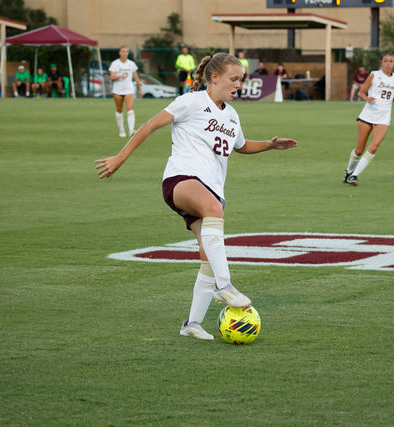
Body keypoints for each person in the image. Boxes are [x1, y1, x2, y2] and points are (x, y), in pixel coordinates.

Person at [95, 53, 298, 340]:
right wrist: (120, 158)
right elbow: (150, 125)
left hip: (210, 189)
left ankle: (192, 324)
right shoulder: (191, 101)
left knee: (208, 256)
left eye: (241, 79)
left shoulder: (230, 114)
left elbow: (240, 145)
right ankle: (224, 286)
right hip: (181, 180)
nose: (239, 84)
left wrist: (270, 145)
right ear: (214, 78)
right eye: (234, 79)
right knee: (215, 210)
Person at [343, 52, 394, 186]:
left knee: (374, 146)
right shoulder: (374, 75)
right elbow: (361, 92)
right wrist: (367, 99)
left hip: (383, 118)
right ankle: (348, 171)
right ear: (381, 63)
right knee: (359, 150)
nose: (388, 64)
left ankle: (354, 175)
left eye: (391, 61)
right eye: (386, 61)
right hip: (367, 116)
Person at [109, 46, 142, 137]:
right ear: (120, 53)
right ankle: (121, 129)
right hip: (117, 90)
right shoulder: (115, 64)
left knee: (130, 109)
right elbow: (111, 77)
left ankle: (131, 130)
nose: (125, 53)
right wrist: (118, 76)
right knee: (119, 110)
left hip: (129, 90)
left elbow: (135, 77)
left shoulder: (131, 64)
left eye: (126, 52)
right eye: (123, 51)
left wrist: (140, 88)